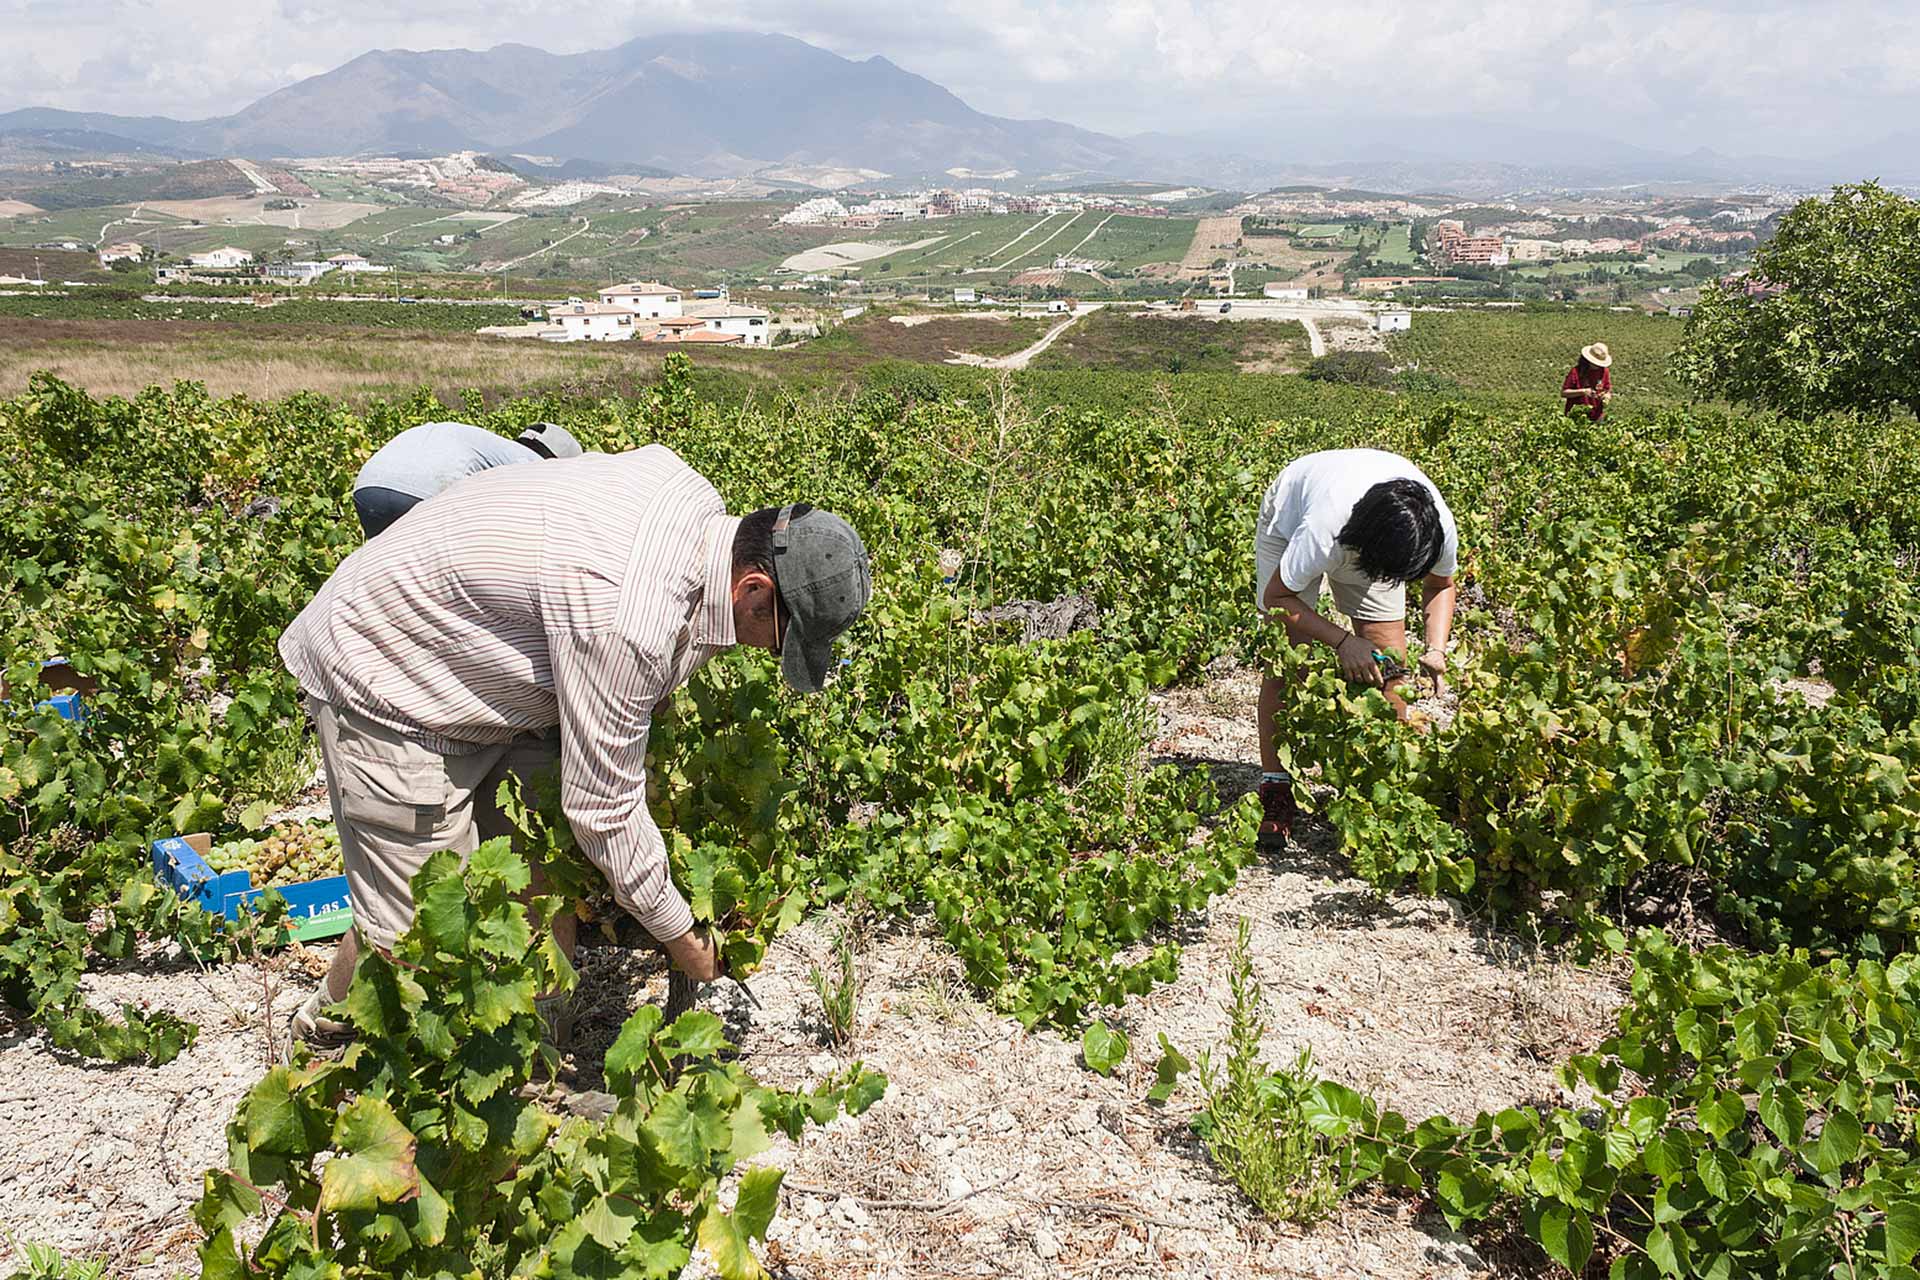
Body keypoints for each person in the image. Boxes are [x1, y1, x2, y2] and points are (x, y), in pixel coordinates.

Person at [282, 444, 871, 1040]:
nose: (769, 653)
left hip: (489, 673)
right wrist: (680, 936)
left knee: (537, 874)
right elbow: (603, 809)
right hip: (386, 673)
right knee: (423, 923)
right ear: (753, 588)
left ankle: (532, 1050)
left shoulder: (696, 507)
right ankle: (324, 1039)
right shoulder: (629, 616)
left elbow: (649, 656)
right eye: (780, 641)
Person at [1253, 449, 1459, 851]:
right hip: (1294, 514)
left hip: (1374, 523)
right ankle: (1276, 788)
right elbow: (1278, 598)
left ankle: (1382, 784)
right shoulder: (1321, 530)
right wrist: (1344, 642)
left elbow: (1441, 585)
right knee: (1288, 660)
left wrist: (1436, 649)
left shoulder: (1435, 527)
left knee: (1391, 666)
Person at [351, 419, 585, 537]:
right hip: (423, 494)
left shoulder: (490, 445)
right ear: (555, 459)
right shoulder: (532, 463)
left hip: (367, 488)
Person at [1561, 343, 1613, 422]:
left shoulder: (1605, 371)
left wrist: (1606, 396)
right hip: (1576, 415)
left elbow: (1607, 390)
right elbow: (1564, 393)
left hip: (1596, 415)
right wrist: (1583, 392)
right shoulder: (1576, 372)